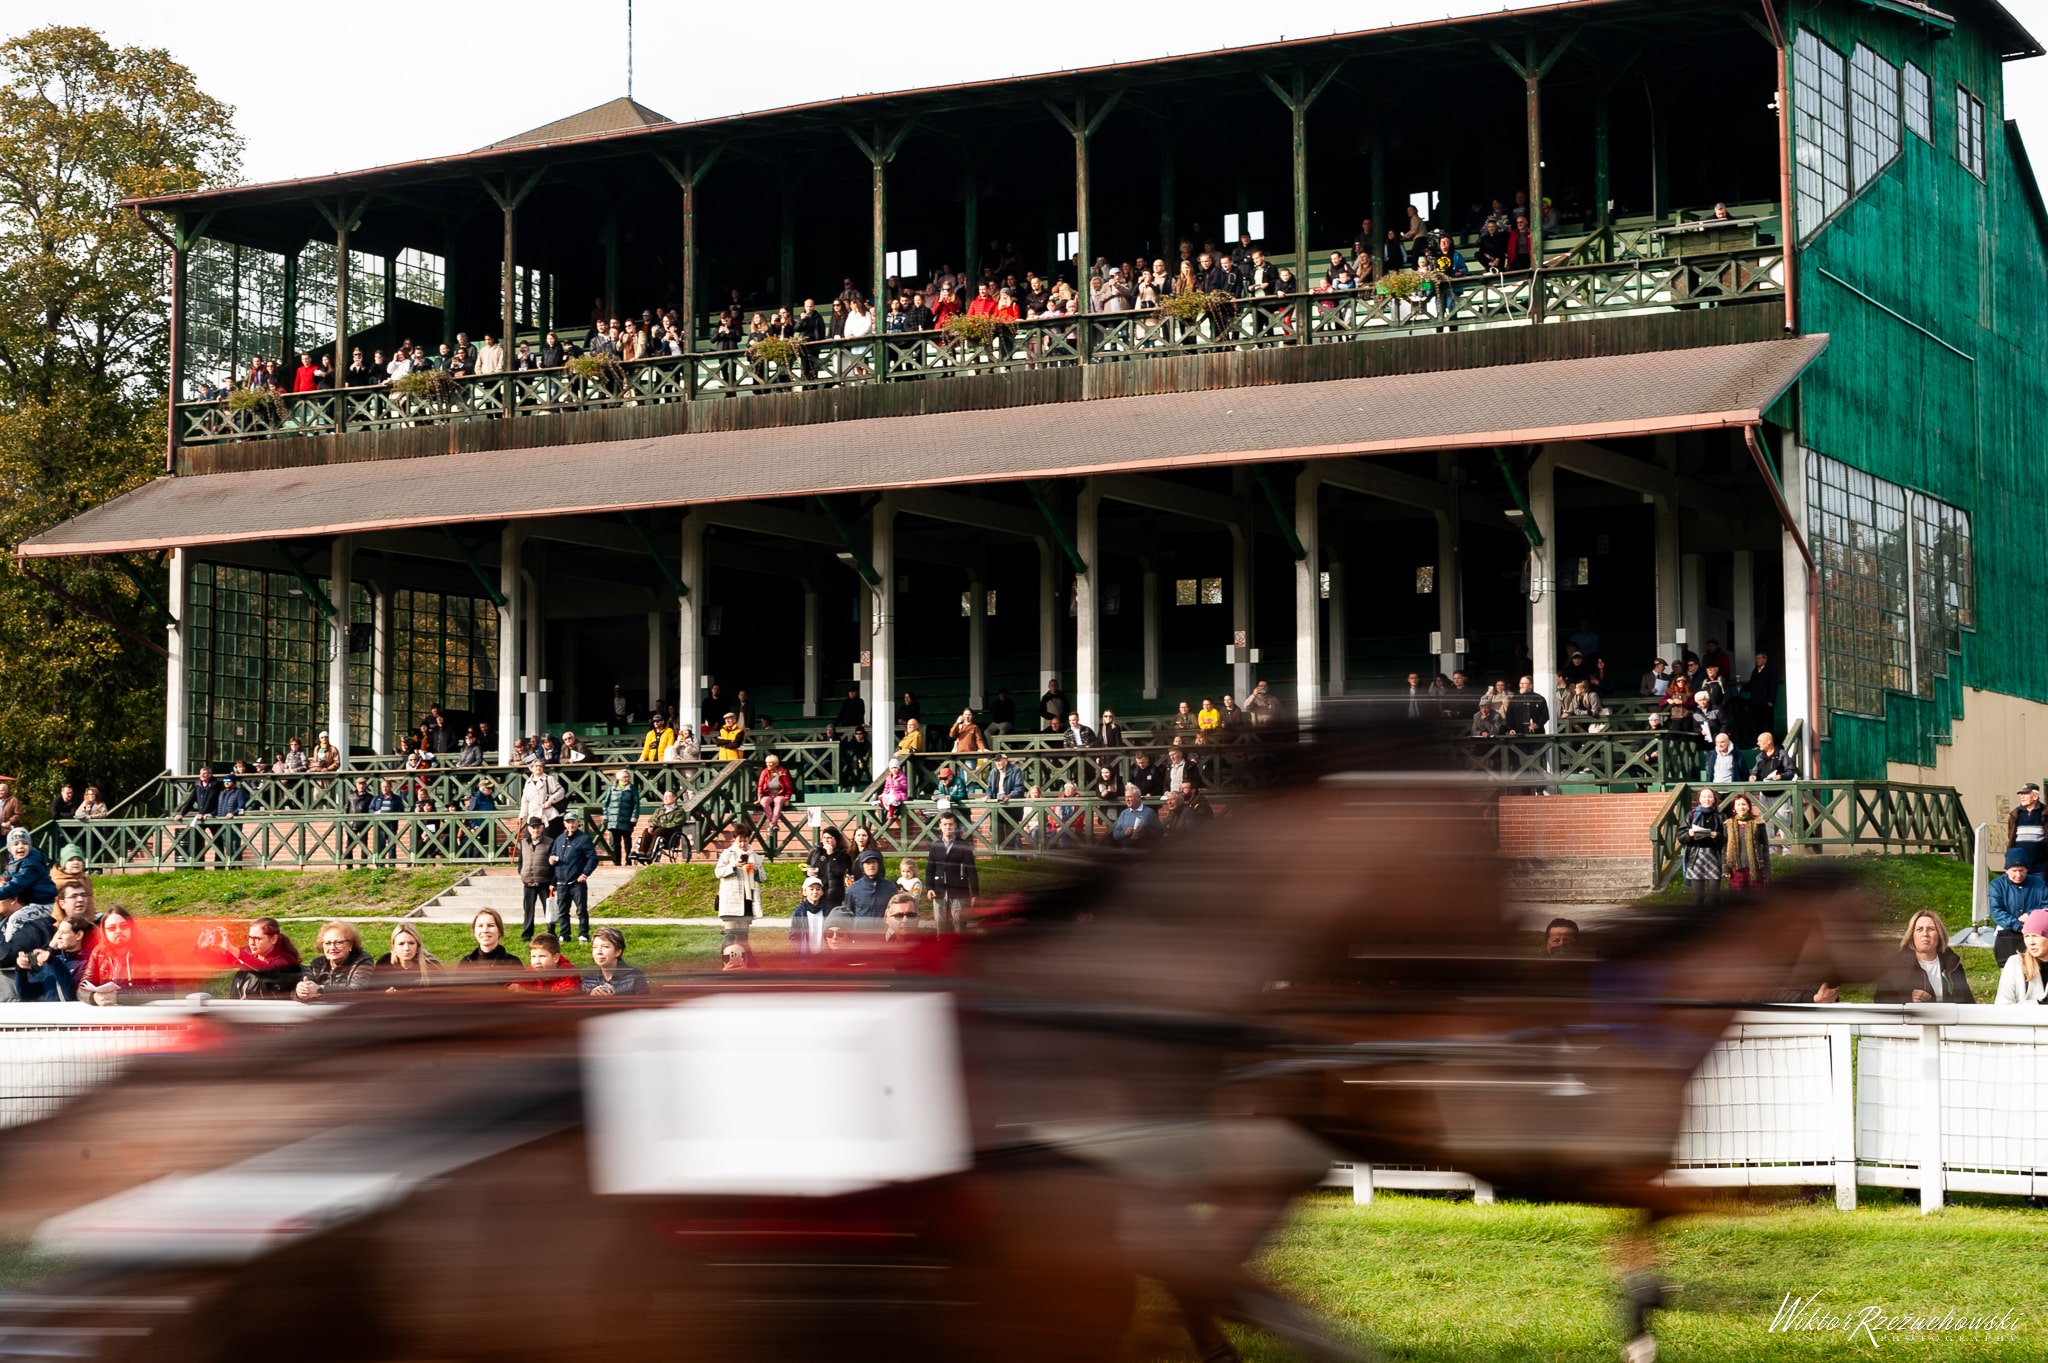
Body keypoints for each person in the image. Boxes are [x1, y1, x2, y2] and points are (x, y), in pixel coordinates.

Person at [1875, 910, 1974, 1004]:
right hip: (1912, 1021)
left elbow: (1968, 1002)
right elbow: (1881, 1000)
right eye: (1919, 929)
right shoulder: (1894, 964)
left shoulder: (1953, 965)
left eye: (1931, 929)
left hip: (1948, 1020)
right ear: (1912, 935)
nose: (1925, 934)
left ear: (1939, 935)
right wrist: (1908, 998)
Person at [77, 907, 169, 1006]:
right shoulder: (99, 953)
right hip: (111, 1014)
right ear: (104, 931)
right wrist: (93, 997)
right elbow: (81, 989)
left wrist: (120, 998)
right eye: (112, 928)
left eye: (124, 926)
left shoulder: (150, 950)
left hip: (143, 1012)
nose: (118, 931)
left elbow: (164, 988)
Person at [203, 917, 304, 998]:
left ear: (273, 939)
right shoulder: (247, 952)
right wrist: (202, 949)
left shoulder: (286, 961)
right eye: (250, 937)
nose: (251, 942)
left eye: (257, 939)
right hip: (240, 1014)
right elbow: (216, 962)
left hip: (270, 1019)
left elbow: (268, 973)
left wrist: (233, 950)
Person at [1987, 847, 2048, 967]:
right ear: (2006, 870)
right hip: (2007, 934)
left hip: (2035, 935)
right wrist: (2017, 926)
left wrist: (2031, 915)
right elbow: (1996, 911)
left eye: (2022, 870)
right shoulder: (1997, 885)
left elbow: (2046, 905)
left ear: (2027, 870)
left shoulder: (2039, 884)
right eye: (2014, 870)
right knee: (2010, 969)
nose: (2018, 875)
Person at [924, 810, 978, 933]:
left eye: (950, 824)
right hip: (939, 891)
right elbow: (930, 869)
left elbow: (972, 870)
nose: (948, 827)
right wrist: (929, 888)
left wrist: (975, 893)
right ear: (940, 826)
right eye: (945, 824)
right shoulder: (935, 845)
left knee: (959, 924)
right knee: (941, 924)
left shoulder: (963, 845)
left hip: (959, 890)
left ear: (955, 826)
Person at [295, 921, 377, 1000]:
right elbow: (300, 991)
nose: (332, 947)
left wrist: (320, 989)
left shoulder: (362, 961)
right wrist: (301, 992)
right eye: (327, 943)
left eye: (338, 942)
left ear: (350, 945)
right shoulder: (317, 964)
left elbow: (357, 990)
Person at [550, 811, 597, 943]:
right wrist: (551, 859)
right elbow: (552, 854)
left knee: (581, 910)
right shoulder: (559, 839)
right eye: (568, 822)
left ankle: (583, 934)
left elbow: (592, 859)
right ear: (565, 823)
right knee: (563, 911)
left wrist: (585, 874)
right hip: (561, 881)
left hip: (577, 881)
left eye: (573, 822)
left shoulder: (584, 839)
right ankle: (564, 935)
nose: (571, 825)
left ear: (578, 823)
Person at [16, 914, 87, 1002]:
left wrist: (52, 960)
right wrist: (20, 970)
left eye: (64, 933)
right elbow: (26, 995)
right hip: (51, 1015)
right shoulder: (53, 962)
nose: (59, 937)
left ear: (79, 935)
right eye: (59, 932)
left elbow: (70, 995)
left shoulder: (87, 963)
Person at [1679, 788, 1727, 906]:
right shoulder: (1691, 815)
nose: (1707, 799)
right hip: (1696, 857)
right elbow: (1681, 836)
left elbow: (1727, 839)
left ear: (1714, 799)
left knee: (1714, 896)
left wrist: (1717, 835)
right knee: (1698, 897)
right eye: (1704, 797)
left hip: (1714, 856)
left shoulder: (1721, 816)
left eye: (1710, 797)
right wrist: (1689, 834)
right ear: (1699, 799)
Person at [715, 831, 763, 935]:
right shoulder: (728, 853)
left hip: (747, 898)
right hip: (730, 898)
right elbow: (718, 872)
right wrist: (733, 866)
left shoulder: (754, 856)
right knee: (730, 934)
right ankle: (728, 951)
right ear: (734, 840)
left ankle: (744, 951)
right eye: (740, 841)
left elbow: (763, 877)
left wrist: (756, 870)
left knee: (743, 935)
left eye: (745, 841)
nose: (743, 844)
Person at [513, 817, 553, 941]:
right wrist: (522, 872)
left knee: (549, 909)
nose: (535, 830)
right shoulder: (524, 842)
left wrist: (552, 882)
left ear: (542, 828)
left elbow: (554, 865)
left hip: (544, 881)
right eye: (533, 827)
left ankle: (551, 933)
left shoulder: (550, 842)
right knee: (528, 910)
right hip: (528, 882)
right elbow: (521, 861)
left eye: (538, 827)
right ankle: (527, 934)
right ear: (529, 829)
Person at [1722, 792, 1770, 892]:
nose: (1741, 807)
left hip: (1756, 868)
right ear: (1733, 808)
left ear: (1748, 806)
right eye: (1738, 805)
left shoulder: (1758, 823)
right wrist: (1725, 868)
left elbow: (1764, 847)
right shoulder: (1728, 825)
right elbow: (1724, 848)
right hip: (1736, 869)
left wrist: (1766, 871)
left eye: (1744, 804)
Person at [582, 926, 648, 995]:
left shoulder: (635, 977)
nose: (599, 952)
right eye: (595, 947)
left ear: (618, 952)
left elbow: (645, 1004)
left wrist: (616, 999)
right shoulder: (589, 980)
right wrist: (590, 998)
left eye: (605, 947)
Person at [376, 922, 443, 989]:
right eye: (401, 944)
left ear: (418, 946)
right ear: (393, 947)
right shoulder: (384, 964)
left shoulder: (431, 966)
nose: (407, 948)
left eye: (411, 943)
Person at [513, 933, 580, 995]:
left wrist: (527, 993)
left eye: (542, 956)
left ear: (556, 958)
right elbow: (521, 981)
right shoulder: (534, 969)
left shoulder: (568, 972)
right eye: (533, 956)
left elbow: (563, 998)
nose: (537, 961)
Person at [597, 768, 639, 866]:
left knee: (627, 841)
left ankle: (628, 861)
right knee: (616, 842)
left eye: (628, 777)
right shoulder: (612, 787)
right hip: (614, 819)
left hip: (626, 819)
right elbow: (605, 802)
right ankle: (617, 861)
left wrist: (634, 817)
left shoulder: (632, 788)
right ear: (619, 778)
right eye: (624, 777)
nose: (626, 779)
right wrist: (605, 815)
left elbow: (636, 804)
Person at [806, 826, 853, 908]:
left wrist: (831, 855)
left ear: (836, 840)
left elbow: (839, 871)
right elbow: (807, 866)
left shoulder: (843, 854)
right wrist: (807, 872)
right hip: (816, 893)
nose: (826, 840)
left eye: (829, 838)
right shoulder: (816, 852)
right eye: (824, 837)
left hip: (833, 895)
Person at [519, 760, 568, 837]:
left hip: (548, 815)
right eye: (536, 766)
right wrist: (522, 815)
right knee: (529, 839)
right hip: (533, 815)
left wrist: (551, 801)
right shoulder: (528, 782)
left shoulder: (549, 779)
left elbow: (560, 791)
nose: (538, 768)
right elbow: (525, 800)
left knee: (548, 839)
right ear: (531, 768)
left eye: (540, 766)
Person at [846, 848, 897, 922]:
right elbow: (848, 915)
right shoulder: (853, 889)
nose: (871, 865)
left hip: (882, 931)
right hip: (861, 931)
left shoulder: (889, 888)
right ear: (862, 866)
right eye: (867, 862)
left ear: (879, 865)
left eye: (874, 862)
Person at [790, 875, 831, 957]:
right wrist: (798, 952)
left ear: (822, 892)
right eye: (811, 889)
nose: (815, 892)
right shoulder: (799, 912)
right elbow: (794, 936)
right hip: (806, 956)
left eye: (818, 889)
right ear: (804, 892)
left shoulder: (828, 910)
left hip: (824, 955)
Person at [2008, 783, 2046, 873]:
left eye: (2025, 794)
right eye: (2021, 794)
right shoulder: (2015, 814)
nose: (2022, 797)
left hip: (2041, 868)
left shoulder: (2045, 814)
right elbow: (2011, 837)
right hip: (2021, 867)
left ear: (2035, 797)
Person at [1110, 784, 1162, 849]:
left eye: (1130, 797)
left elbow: (1159, 833)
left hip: (1144, 854)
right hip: (1126, 853)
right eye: (1126, 797)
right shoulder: (1124, 813)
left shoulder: (1149, 812)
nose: (1127, 800)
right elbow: (1115, 834)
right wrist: (1125, 833)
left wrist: (1145, 833)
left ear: (1138, 798)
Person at [755, 754, 795, 833]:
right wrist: (759, 798)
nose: (768, 764)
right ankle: (774, 824)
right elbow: (760, 785)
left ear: (776, 763)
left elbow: (788, 787)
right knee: (764, 802)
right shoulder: (765, 772)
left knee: (778, 801)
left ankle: (771, 825)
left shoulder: (782, 772)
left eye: (771, 762)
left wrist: (787, 798)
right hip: (769, 794)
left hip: (780, 794)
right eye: (767, 762)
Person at [877, 758, 910, 828]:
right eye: (892, 768)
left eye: (896, 768)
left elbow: (904, 787)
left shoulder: (901, 776)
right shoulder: (889, 777)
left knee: (892, 800)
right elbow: (886, 787)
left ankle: (890, 815)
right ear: (890, 769)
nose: (894, 769)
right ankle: (891, 810)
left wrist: (898, 785)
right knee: (881, 797)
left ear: (898, 768)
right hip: (890, 793)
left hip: (898, 794)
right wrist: (884, 793)